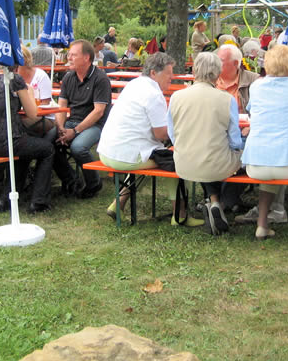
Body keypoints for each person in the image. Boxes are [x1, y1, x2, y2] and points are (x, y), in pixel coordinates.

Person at [96, 53, 203, 226]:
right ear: (154, 73)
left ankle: (118, 204)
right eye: (168, 74)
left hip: (107, 151)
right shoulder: (154, 94)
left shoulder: (134, 84)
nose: (171, 78)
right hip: (126, 156)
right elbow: (161, 135)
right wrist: (184, 130)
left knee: (153, 156)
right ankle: (180, 215)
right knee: (177, 161)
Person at [242, 45, 288, 241]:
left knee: (269, 176)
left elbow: (251, 111)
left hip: (255, 162)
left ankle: (262, 225)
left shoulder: (255, 86)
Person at [167, 52, 242, 236]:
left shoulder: (177, 96)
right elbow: (235, 141)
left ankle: (214, 201)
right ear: (218, 73)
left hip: (184, 162)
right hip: (216, 163)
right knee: (244, 158)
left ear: (194, 70)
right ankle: (223, 203)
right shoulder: (227, 99)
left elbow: (172, 134)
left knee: (204, 153)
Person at [0, 65, 56, 214]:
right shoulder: (15, 79)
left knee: (25, 150)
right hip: (3, 141)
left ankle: (7, 199)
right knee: (47, 149)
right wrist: (29, 92)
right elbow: (32, 114)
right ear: (17, 67)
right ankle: (39, 202)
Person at [54, 39, 112, 199]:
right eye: (69, 55)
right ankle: (71, 179)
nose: (69, 58)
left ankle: (94, 183)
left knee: (78, 148)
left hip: (96, 125)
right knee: (48, 142)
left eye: (73, 55)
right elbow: (61, 106)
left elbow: (98, 112)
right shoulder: (68, 77)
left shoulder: (100, 79)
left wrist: (74, 131)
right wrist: (60, 127)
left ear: (86, 58)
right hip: (71, 122)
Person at [216, 43, 258, 114]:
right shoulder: (209, 80)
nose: (216, 63)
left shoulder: (254, 81)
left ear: (235, 63)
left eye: (221, 60)